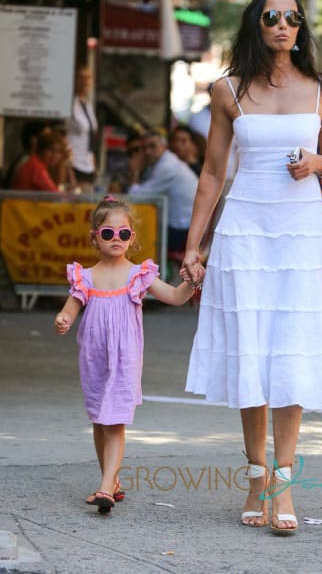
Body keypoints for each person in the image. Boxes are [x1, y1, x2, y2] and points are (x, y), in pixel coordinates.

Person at [181, 0, 322, 535]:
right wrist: (193, 246)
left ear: (301, 27)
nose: (282, 25)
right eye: (272, 16)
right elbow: (211, 173)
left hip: (300, 237)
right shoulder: (227, 89)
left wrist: (318, 162)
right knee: (253, 351)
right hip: (245, 232)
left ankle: (284, 483)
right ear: (256, 24)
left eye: (292, 17)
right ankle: (255, 476)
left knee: (292, 353)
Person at [54, 196, 197, 514]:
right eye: (108, 233)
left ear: (132, 237)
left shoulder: (138, 274)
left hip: (125, 359)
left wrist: (191, 283)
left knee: (114, 419)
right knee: (99, 420)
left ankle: (106, 487)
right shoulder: (86, 276)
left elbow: (173, 296)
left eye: (123, 233)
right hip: (94, 359)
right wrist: (64, 318)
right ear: (95, 237)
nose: (116, 239)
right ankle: (112, 480)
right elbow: (71, 306)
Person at [128, 129, 198, 253]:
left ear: (164, 146)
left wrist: (135, 171)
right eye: (144, 148)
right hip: (186, 227)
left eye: (152, 146)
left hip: (182, 231)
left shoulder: (167, 167)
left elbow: (135, 197)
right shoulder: (164, 162)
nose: (148, 151)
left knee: (131, 233)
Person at [66, 65, 98, 191]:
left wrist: (93, 160)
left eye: (88, 78)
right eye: (81, 77)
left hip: (88, 163)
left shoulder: (87, 104)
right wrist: (68, 169)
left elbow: (90, 135)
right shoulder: (69, 104)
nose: (85, 81)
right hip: (73, 163)